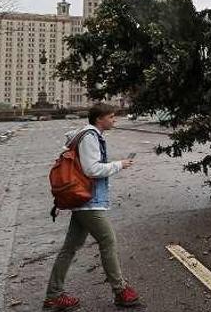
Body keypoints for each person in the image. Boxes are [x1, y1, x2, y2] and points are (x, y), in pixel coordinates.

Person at [43, 103, 141, 310]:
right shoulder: (90, 136)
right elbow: (91, 169)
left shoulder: (90, 135)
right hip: (88, 200)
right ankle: (120, 290)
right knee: (107, 239)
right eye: (112, 116)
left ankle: (53, 295)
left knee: (70, 248)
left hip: (85, 200)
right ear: (100, 119)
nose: (115, 120)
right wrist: (119, 164)